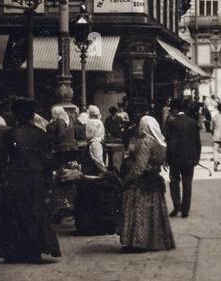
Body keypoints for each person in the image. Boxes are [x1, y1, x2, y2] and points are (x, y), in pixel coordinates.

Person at [0, 98, 62, 264]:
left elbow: (2, 159)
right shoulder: (41, 134)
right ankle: (34, 250)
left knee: (16, 213)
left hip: (16, 177)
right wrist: (48, 182)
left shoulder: (10, 134)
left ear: (16, 115)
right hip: (36, 178)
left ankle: (15, 250)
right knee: (35, 212)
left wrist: (2, 178)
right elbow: (48, 161)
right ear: (32, 115)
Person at [119, 116, 175, 252]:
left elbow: (140, 166)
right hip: (154, 181)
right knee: (153, 214)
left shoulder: (146, 142)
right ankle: (153, 241)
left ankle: (139, 243)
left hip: (142, 183)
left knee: (139, 213)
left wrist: (127, 179)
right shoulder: (160, 142)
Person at [72, 107, 121, 236]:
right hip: (94, 178)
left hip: (89, 177)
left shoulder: (92, 143)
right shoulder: (96, 144)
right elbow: (99, 162)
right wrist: (106, 172)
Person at [164, 100, 200, 218]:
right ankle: (185, 210)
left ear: (175, 110)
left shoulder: (171, 124)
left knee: (174, 182)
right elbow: (197, 142)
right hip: (189, 158)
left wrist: (167, 159)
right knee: (187, 183)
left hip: (175, 159)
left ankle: (177, 206)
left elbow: (169, 143)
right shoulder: (193, 122)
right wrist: (197, 158)